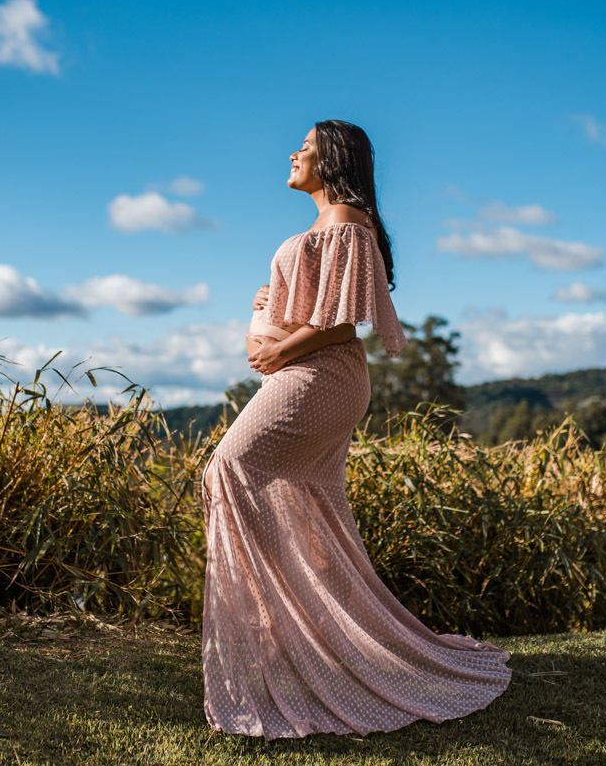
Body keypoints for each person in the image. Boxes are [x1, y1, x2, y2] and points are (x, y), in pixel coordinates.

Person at [200, 120, 512, 740]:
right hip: (301, 371)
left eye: (306, 146)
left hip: (320, 376)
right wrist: (266, 309)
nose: (293, 152)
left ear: (333, 158)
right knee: (303, 496)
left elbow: (343, 324)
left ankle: (288, 636)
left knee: (229, 470)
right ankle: (311, 639)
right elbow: (310, 308)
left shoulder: (346, 221)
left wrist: (281, 349)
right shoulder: (325, 228)